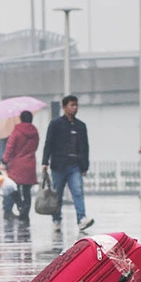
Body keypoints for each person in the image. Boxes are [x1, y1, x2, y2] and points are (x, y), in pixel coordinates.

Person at [40, 95, 94, 233]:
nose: (75, 108)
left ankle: (81, 218)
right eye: (72, 105)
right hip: (59, 165)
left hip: (75, 165)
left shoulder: (81, 126)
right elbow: (48, 143)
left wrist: (84, 166)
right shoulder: (55, 124)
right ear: (64, 107)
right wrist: (45, 162)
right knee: (57, 194)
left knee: (77, 191)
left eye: (76, 105)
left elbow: (85, 146)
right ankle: (56, 219)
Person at [0, 110, 39, 222]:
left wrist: (4, 161)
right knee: (27, 191)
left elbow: (10, 147)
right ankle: (25, 214)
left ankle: (20, 205)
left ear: (21, 119)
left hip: (17, 165)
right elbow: (35, 146)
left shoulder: (17, 131)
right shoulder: (35, 132)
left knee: (11, 187)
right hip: (30, 164)